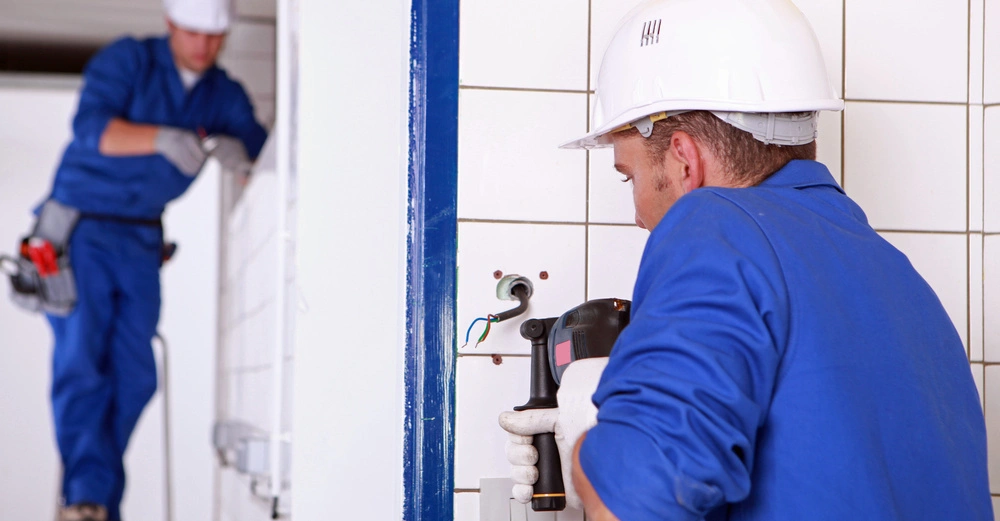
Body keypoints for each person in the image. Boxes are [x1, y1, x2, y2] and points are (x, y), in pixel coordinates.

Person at [498, 0, 993, 519]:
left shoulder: (714, 225)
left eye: (630, 176)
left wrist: (586, 437)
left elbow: (636, 504)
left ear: (685, 160)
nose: (637, 215)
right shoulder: (896, 274)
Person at [37, 0, 267, 519]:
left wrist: (241, 154)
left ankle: (92, 497)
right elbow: (91, 129)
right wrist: (160, 138)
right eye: (191, 34)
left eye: (214, 38)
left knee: (136, 374)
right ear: (170, 26)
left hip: (140, 242)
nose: (202, 48)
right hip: (81, 229)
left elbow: (259, 152)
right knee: (82, 364)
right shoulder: (128, 61)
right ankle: (88, 499)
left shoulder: (221, 95)